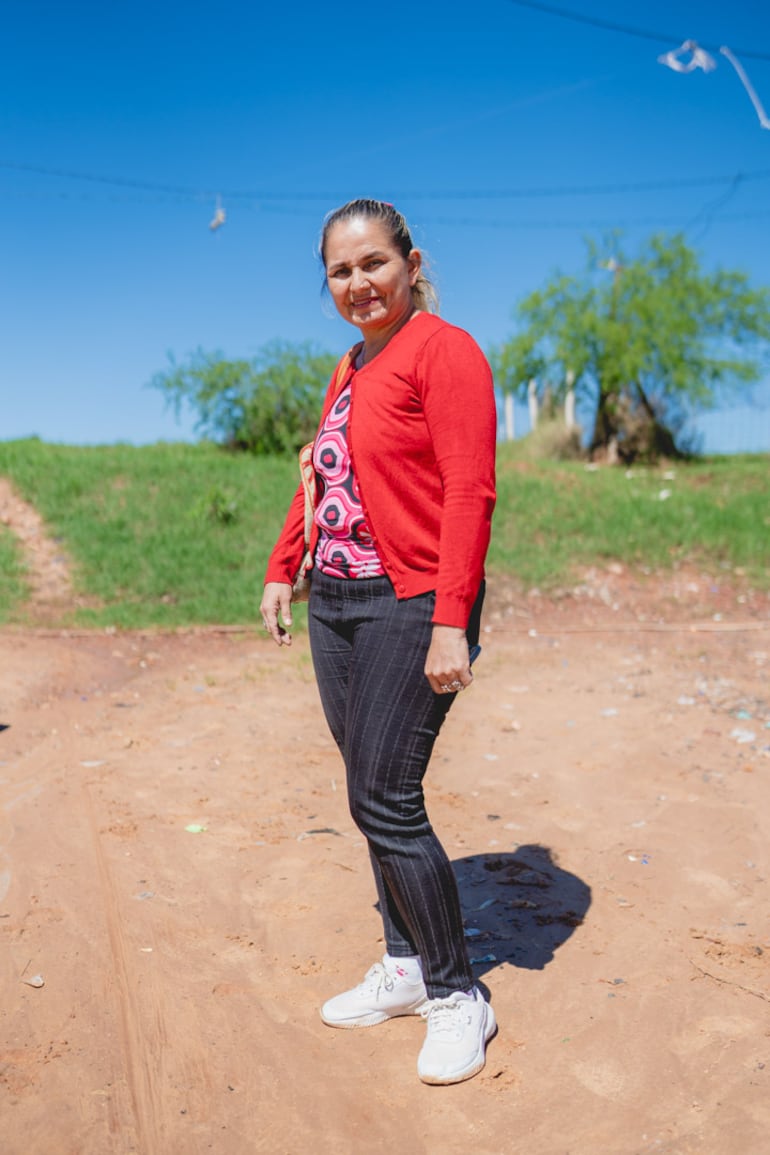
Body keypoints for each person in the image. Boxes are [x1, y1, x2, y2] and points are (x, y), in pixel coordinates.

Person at [260, 199, 497, 1086]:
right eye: (339, 271)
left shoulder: (446, 350)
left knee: (387, 795)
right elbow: (321, 473)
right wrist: (286, 566)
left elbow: (470, 490)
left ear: (411, 262)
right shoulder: (350, 367)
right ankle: (401, 964)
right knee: (365, 792)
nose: (358, 284)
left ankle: (455, 992)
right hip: (339, 601)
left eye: (372, 264)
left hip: (414, 598)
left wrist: (450, 618)